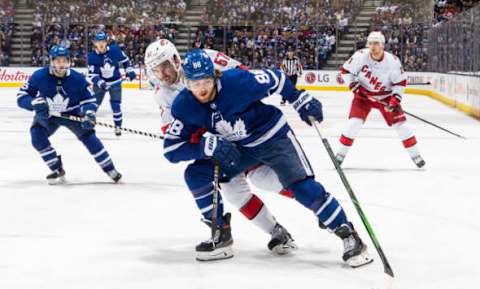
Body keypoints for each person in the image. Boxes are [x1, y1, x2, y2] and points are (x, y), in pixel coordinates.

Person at [163, 49, 372, 267]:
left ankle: (348, 234)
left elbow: (278, 78)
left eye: (206, 81)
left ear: (215, 75)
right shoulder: (184, 105)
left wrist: (297, 97)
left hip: (272, 137)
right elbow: (172, 149)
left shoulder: (238, 82)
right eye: (195, 84)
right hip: (239, 148)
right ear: (186, 83)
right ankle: (220, 233)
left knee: (302, 187)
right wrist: (203, 148)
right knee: (196, 174)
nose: (202, 89)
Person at [144, 39, 296, 257]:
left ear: (176, 59)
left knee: (264, 177)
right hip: (220, 141)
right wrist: (204, 141)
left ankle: (315, 202)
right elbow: (177, 135)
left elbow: (244, 78)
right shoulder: (163, 94)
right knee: (233, 191)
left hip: (243, 127)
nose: (163, 73)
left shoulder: (208, 59)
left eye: (165, 65)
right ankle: (273, 232)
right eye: (157, 70)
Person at [16, 45, 122, 184]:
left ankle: (110, 169)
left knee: (89, 137)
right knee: (37, 135)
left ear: (69, 61)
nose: (61, 64)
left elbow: (88, 99)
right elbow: (21, 96)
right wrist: (33, 103)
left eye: (64, 60)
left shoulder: (77, 78)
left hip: (73, 113)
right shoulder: (39, 76)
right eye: (57, 61)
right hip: (49, 114)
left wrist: (88, 113)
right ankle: (56, 168)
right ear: (51, 61)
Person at [337, 31, 425, 168]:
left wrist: (395, 100)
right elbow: (345, 71)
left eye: (376, 43)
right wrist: (355, 86)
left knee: (401, 126)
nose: (373, 47)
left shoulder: (393, 61)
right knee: (353, 124)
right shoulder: (360, 56)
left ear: (383, 45)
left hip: (386, 96)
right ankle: (340, 155)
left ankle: (416, 155)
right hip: (364, 96)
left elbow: (400, 83)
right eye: (371, 43)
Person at [88, 31, 137, 136]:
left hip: (115, 82)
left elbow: (125, 60)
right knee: (94, 105)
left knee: (116, 105)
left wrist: (129, 71)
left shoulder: (115, 50)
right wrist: (100, 82)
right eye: (98, 41)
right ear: (95, 43)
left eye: (103, 41)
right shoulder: (92, 57)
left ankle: (118, 127)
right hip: (101, 84)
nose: (101, 44)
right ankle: (88, 126)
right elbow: (93, 75)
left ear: (106, 42)